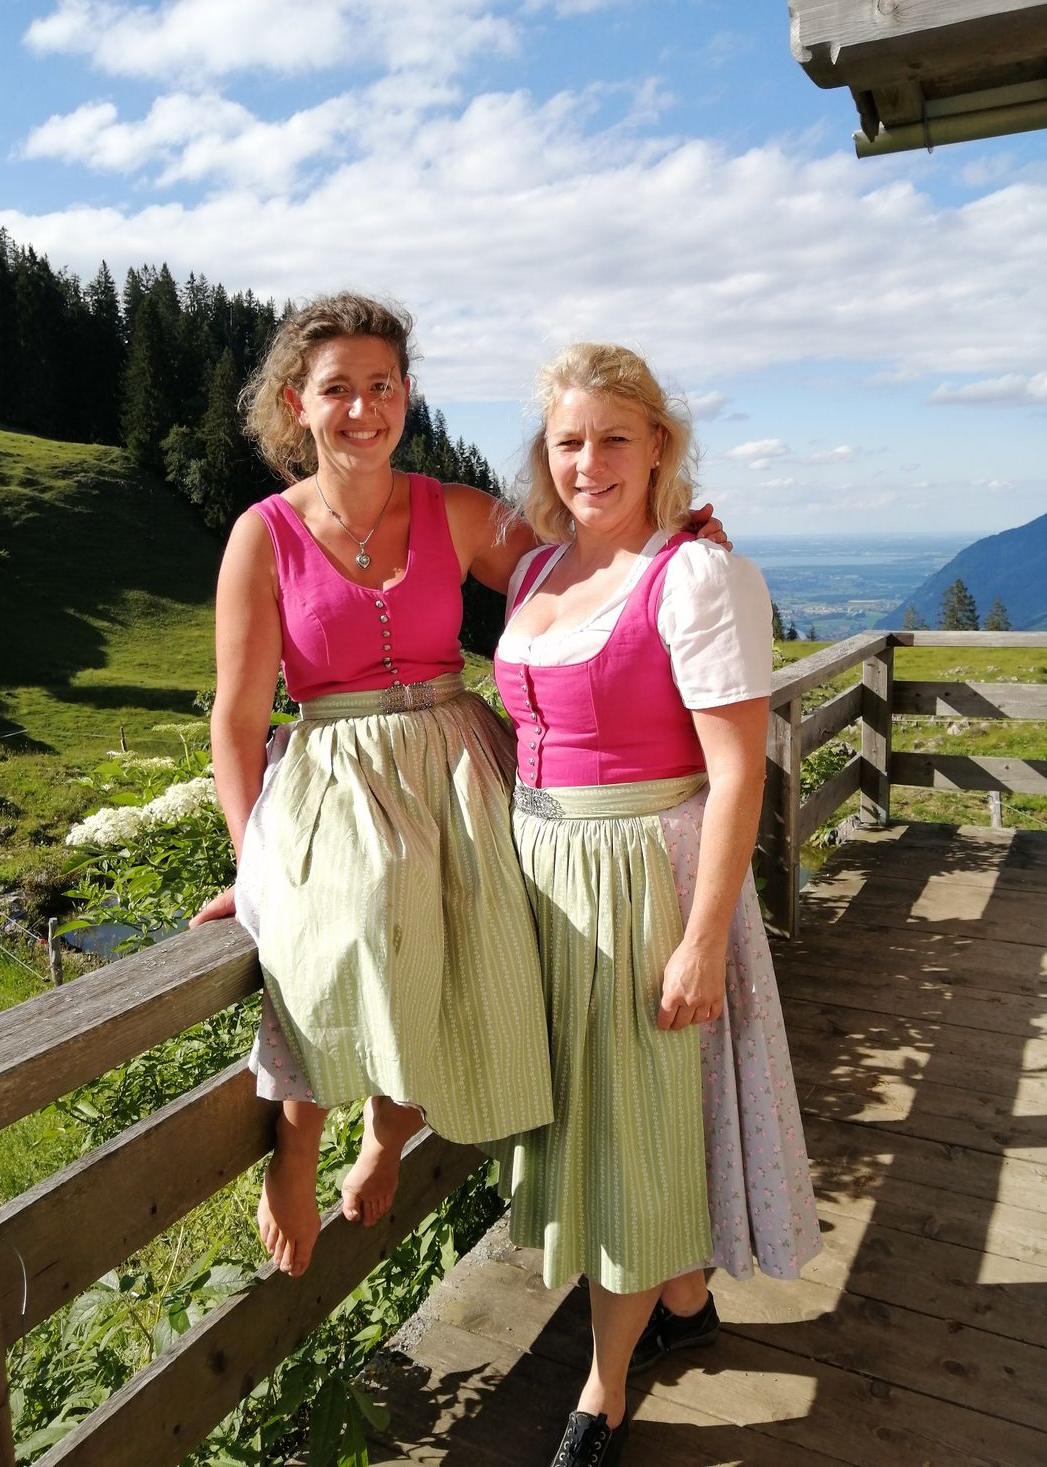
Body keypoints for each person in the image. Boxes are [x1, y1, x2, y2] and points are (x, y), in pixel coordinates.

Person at [189, 293, 728, 1282]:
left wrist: (672, 544)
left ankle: (387, 1136)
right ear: (293, 405)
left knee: (468, 957)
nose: (363, 407)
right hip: (331, 769)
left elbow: (583, 572)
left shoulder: (456, 511)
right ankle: (295, 1155)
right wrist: (252, 858)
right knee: (330, 936)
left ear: (406, 395)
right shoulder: (262, 536)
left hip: (459, 756)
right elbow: (234, 718)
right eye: (336, 388)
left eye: (382, 385)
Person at [491, 342, 821, 1467]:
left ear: (658, 447)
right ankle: (682, 1300)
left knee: (629, 1127)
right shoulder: (536, 572)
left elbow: (737, 775)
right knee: (587, 1116)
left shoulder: (695, 577)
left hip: (644, 878)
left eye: (613, 438)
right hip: (544, 877)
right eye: (568, 441)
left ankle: (601, 1389)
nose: (588, 462)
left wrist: (696, 942)